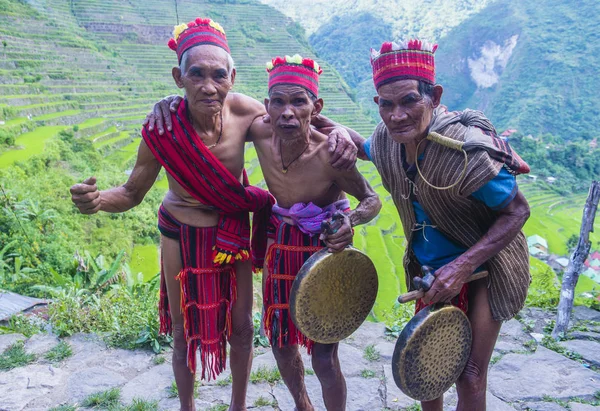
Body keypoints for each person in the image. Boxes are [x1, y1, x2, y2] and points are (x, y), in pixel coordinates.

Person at [70, 18, 355, 411]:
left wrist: (339, 131)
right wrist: (98, 200)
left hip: (231, 232)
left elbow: (301, 116)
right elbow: (132, 193)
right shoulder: (163, 127)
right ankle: (188, 406)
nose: (209, 86)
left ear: (232, 77)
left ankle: (238, 405)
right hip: (180, 234)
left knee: (241, 330)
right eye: (196, 74)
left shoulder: (245, 111)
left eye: (218, 75)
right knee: (183, 332)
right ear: (178, 77)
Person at [316, 39, 532, 411]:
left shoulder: (465, 152)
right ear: (377, 104)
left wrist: (462, 267)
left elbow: (518, 211)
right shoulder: (388, 141)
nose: (397, 114)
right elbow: (364, 146)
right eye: (387, 104)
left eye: (409, 101)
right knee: (426, 371)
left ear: (434, 96)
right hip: (430, 273)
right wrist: (335, 130)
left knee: (469, 375)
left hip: (486, 268)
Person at [250, 55, 381, 411]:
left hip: (322, 251)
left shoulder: (331, 155)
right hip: (280, 246)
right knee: (279, 340)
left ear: (316, 107)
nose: (288, 112)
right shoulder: (259, 131)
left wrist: (349, 221)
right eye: (278, 101)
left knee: (324, 355)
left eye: (299, 101)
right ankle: (302, 405)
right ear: (267, 107)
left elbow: (372, 200)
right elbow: (214, 113)